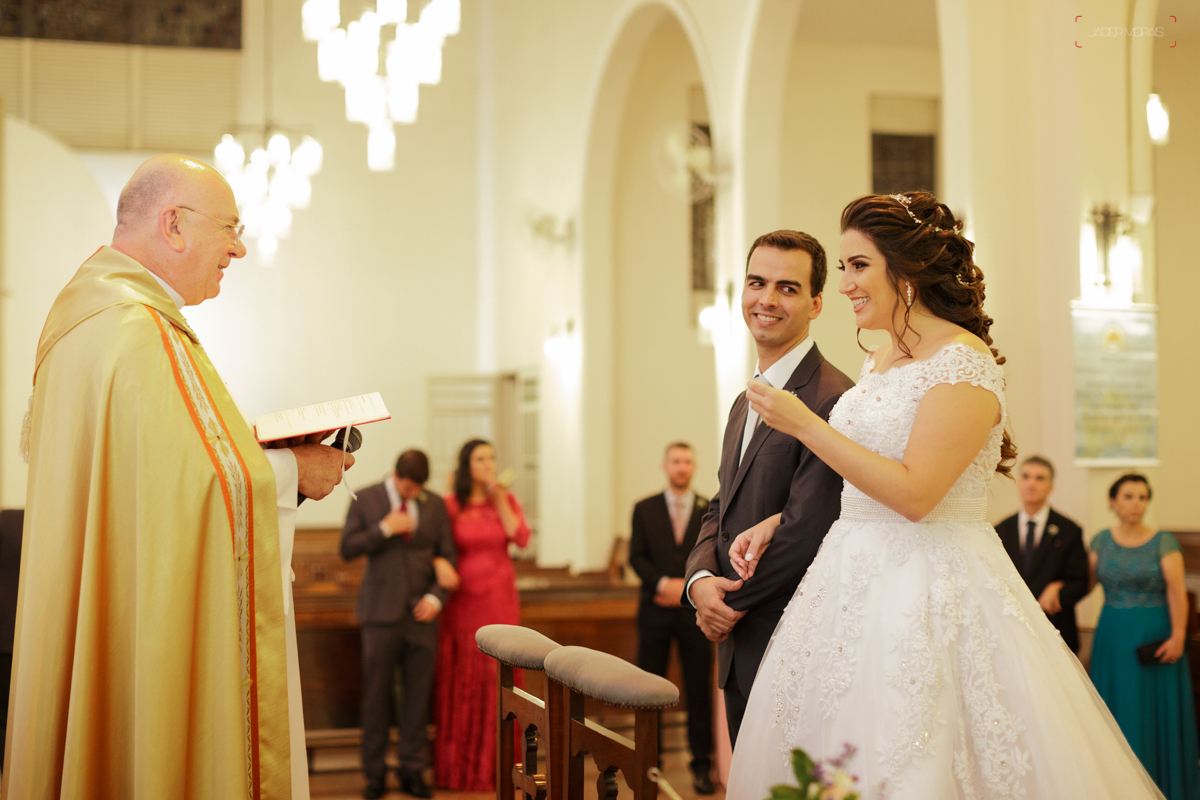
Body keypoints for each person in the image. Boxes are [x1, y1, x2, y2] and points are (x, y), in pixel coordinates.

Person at [723, 192, 1166, 798]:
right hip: (847, 579)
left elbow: (916, 493)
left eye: (859, 266)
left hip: (929, 585)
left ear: (904, 273)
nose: (848, 284)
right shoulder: (880, 360)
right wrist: (778, 519)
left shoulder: (964, 363)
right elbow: (865, 478)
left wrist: (805, 424)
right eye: (845, 267)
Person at [2, 155, 352, 799]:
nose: (240, 248)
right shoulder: (135, 328)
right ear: (173, 225)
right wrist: (293, 470)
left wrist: (256, 453)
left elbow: (159, 472)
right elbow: (191, 488)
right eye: (229, 228)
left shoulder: (86, 318)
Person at [682, 230, 854, 746]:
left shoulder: (833, 397)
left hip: (791, 632)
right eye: (757, 283)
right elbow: (720, 505)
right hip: (740, 635)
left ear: (816, 303)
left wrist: (729, 603)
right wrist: (699, 583)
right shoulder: (745, 401)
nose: (767, 299)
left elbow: (809, 527)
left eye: (787, 288)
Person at [341, 449, 459, 799]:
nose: (412, 495)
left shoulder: (435, 504)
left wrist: (437, 597)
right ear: (396, 475)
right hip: (380, 613)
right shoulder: (367, 497)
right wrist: (384, 528)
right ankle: (374, 773)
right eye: (407, 487)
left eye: (417, 489)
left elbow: (448, 555)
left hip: (422, 614)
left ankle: (412, 769)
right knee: (376, 697)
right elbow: (346, 548)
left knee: (418, 697)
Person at [1090, 474, 1200, 799]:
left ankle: (1159, 783)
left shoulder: (1163, 541)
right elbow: (1085, 584)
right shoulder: (1099, 541)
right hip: (1111, 636)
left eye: (1142, 496)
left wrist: (1180, 635)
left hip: (1154, 635)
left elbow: (1177, 592)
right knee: (1114, 707)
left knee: (1154, 710)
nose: (1136, 503)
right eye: (1128, 496)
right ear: (1112, 502)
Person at [432, 439, 531, 791]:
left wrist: (500, 497)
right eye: (480, 459)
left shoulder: (504, 500)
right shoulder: (450, 504)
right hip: (463, 601)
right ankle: (461, 769)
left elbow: (520, 537)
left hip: (501, 597)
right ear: (466, 465)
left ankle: (501, 768)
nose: (488, 464)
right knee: (467, 673)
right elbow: (432, 544)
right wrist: (439, 562)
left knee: (500, 673)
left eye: (491, 457)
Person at [628, 442, 715, 794]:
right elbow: (636, 557)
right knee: (649, 691)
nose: (682, 467)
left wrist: (687, 587)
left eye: (688, 461)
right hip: (654, 612)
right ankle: (649, 764)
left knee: (698, 690)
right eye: (676, 461)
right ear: (665, 466)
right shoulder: (644, 508)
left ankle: (701, 767)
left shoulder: (709, 507)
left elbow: (714, 553)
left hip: (694, 613)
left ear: (693, 466)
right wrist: (663, 583)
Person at [995, 455, 1089, 652]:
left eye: (1040, 478)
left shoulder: (1069, 530)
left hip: (1055, 630)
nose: (1031, 483)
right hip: (1012, 631)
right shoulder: (1001, 530)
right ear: (1019, 483)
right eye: (1026, 476)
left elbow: (1081, 581)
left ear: (1051, 486)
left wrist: (1058, 588)